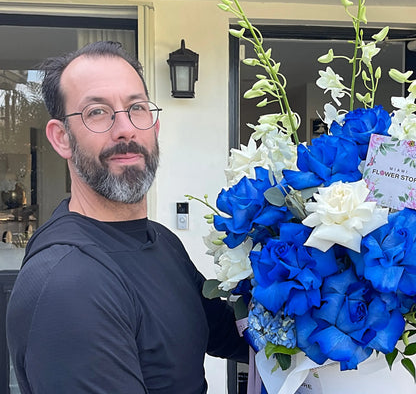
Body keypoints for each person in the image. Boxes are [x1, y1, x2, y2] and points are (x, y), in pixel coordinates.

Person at [6, 41, 248, 394]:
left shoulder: (161, 242)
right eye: (97, 112)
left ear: (155, 126)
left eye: (136, 108)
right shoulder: (69, 283)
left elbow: (230, 334)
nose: (125, 129)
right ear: (62, 138)